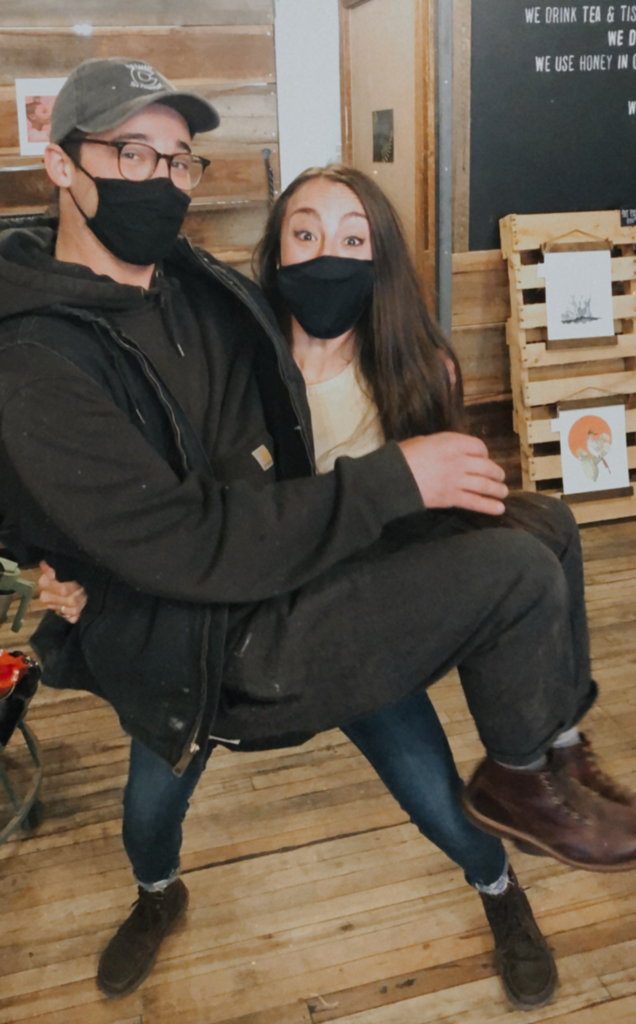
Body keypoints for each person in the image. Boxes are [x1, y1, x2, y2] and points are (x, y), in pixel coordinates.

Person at [1, 56, 635, 1005]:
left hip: (321, 580)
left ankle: (516, 842)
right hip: (205, 646)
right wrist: (51, 564)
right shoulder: (39, 354)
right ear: (62, 164)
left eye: (179, 160)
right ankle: (157, 893)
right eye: (133, 153)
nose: (162, 180)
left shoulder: (195, 288)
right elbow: (168, 528)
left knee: (536, 532)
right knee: (148, 813)